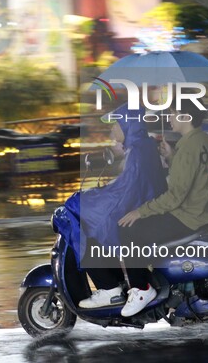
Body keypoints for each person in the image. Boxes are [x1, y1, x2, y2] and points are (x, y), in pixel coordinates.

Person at [114, 99, 208, 317]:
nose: (169, 118)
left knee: (127, 230)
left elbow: (174, 197)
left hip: (187, 216)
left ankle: (141, 290)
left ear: (186, 117)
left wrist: (140, 211)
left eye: (173, 113)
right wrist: (172, 156)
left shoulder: (190, 146)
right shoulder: (205, 141)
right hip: (202, 211)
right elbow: (194, 177)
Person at [75, 103, 167, 309]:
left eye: (116, 124)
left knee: (89, 227)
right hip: (147, 205)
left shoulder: (137, 151)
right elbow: (129, 184)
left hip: (142, 210)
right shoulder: (144, 146)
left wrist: (93, 198)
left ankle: (110, 289)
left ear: (127, 124)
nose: (112, 130)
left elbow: (126, 192)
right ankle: (116, 287)